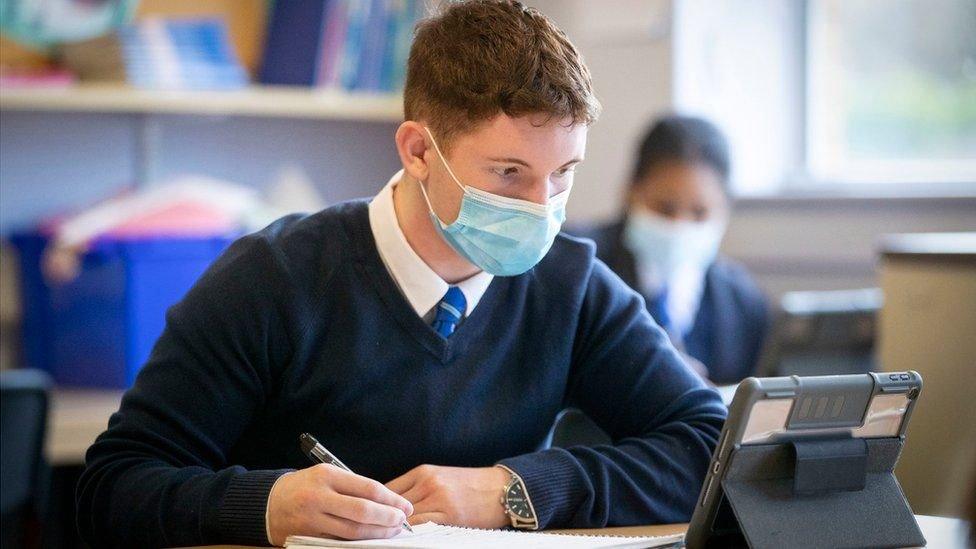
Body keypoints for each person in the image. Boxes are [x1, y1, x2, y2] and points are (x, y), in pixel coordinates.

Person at [76, 3, 726, 547]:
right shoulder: (273, 278)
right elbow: (112, 485)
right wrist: (269, 503)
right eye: (508, 174)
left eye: (563, 173)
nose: (542, 207)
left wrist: (514, 490)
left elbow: (709, 448)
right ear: (418, 150)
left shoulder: (571, 284)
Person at [573, 116, 768, 385]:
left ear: (725, 208)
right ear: (631, 191)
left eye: (699, 213)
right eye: (665, 208)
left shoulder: (743, 301)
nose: (680, 226)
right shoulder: (576, 265)